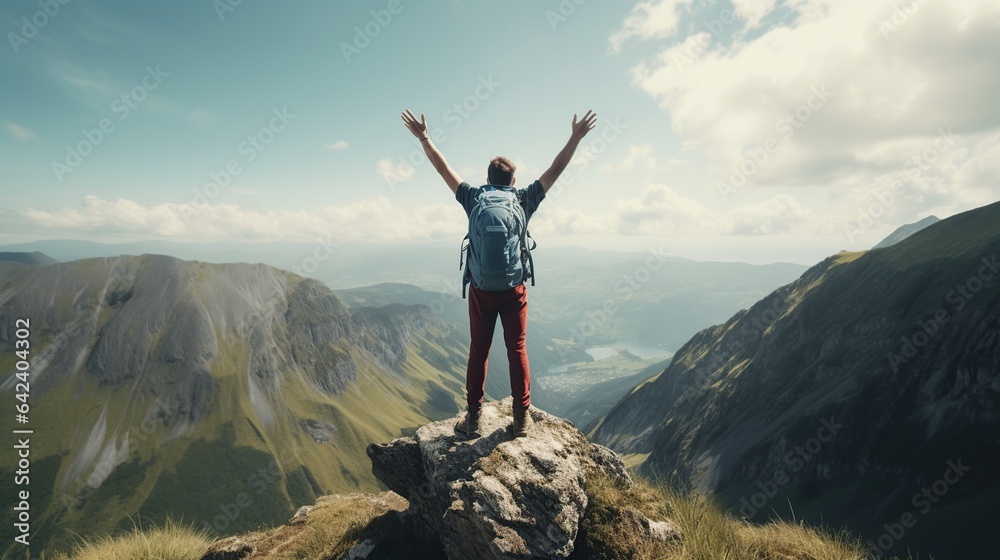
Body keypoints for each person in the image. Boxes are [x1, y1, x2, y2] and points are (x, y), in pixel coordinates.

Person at [401, 108, 597, 437]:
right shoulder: (524, 199)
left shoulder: (474, 197)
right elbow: (555, 170)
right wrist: (575, 137)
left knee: (479, 349)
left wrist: (424, 137)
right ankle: (521, 419)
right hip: (514, 290)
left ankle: (474, 418)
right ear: (513, 181)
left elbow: (442, 168)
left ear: (488, 178)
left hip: (480, 290)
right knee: (516, 348)